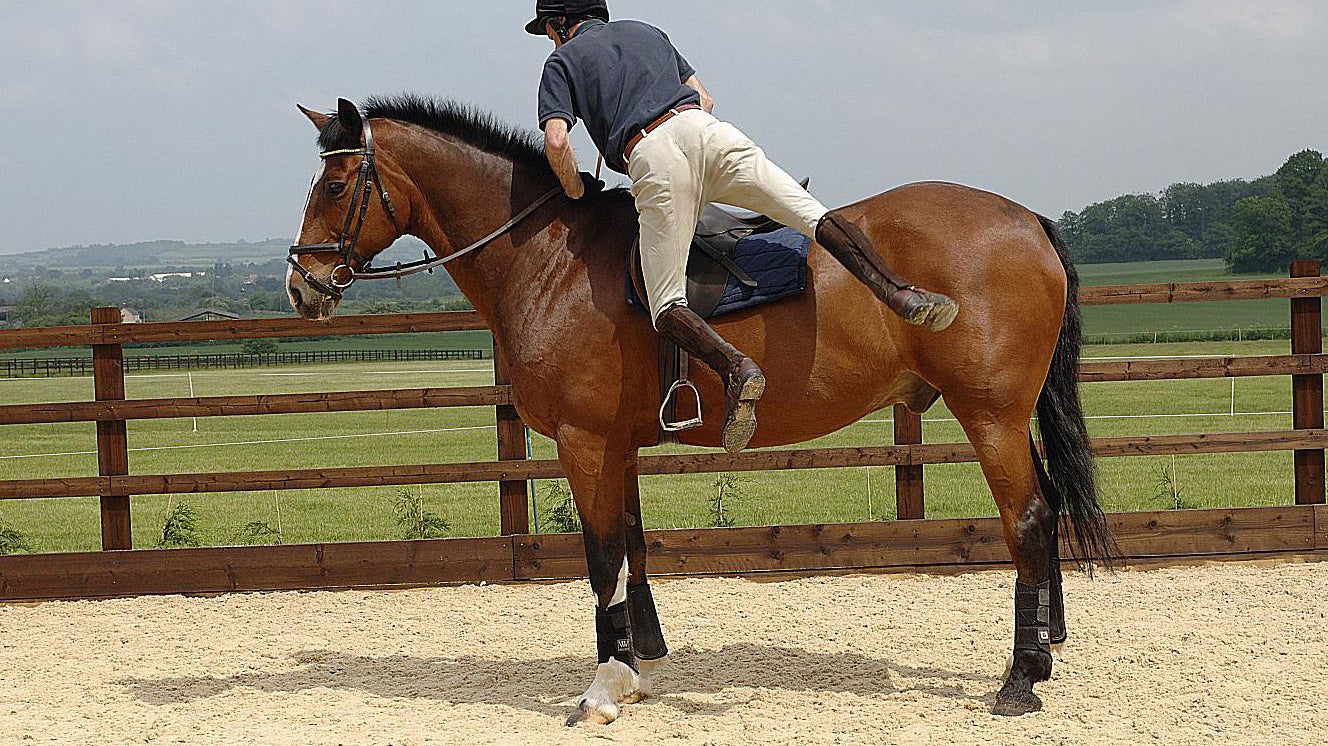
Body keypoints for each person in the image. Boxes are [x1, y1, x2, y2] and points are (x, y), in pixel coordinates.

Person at [529, 0, 958, 453]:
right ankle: (902, 293)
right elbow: (704, 96)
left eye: (549, 31)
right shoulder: (646, 32)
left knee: (666, 303)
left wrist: (575, 188)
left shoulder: (561, 61)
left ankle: (737, 370)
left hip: (652, 154)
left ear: (559, 25)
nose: (551, 40)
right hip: (708, 131)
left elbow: (557, 140)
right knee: (811, 214)